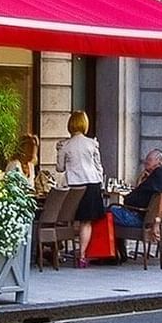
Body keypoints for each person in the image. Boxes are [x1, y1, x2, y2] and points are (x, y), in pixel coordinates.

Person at [54, 111, 104, 268]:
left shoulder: (66, 146)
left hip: (75, 185)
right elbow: (98, 166)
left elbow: (60, 168)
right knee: (86, 222)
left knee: (66, 218)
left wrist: (59, 152)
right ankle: (82, 255)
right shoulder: (92, 143)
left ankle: (61, 251)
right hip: (92, 183)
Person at [110, 148, 162, 229]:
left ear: (159, 161)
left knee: (102, 211)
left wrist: (157, 221)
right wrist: (141, 180)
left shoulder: (160, 172)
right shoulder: (156, 176)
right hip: (136, 214)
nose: (146, 162)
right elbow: (141, 193)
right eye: (146, 159)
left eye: (150, 160)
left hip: (137, 217)